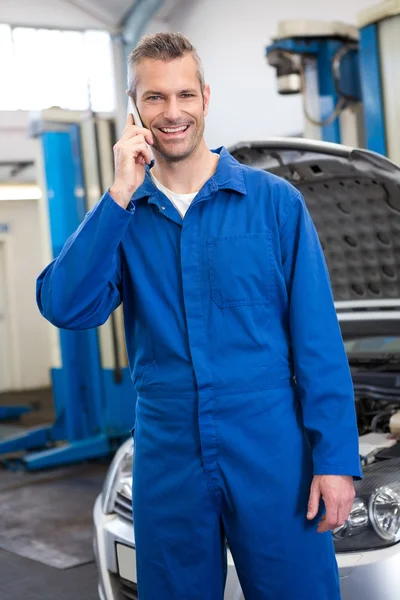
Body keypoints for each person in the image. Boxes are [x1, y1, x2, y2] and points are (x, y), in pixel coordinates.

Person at [37, 32, 361, 600]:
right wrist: (116, 196)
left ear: (206, 98)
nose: (173, 111)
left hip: (270, 446)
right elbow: (65, 305)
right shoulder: (124, 214)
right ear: (136, 108)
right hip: (169, 450)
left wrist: (335, 459)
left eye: (184, 94)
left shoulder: (273, 203)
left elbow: (317, 341)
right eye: (156, 98)